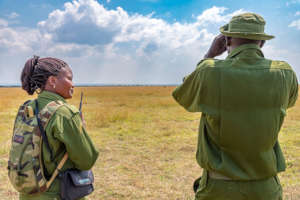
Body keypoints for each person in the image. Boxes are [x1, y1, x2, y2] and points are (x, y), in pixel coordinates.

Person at [172, 13, 298, 200]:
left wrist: (209, 55)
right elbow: (289, 102)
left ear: (226, 40)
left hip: (219, 187)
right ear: (262, 42)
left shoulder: (209, 71)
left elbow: (185, 95)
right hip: (266, 187)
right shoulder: (285, 73)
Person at [19, 56, 99, 200]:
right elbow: (87, 160)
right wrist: (81, 130)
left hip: (28, 194)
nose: (73, 85)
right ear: (52, 81)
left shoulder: (26, 107)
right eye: (69, 78)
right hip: (59, 194)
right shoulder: (65, 113)